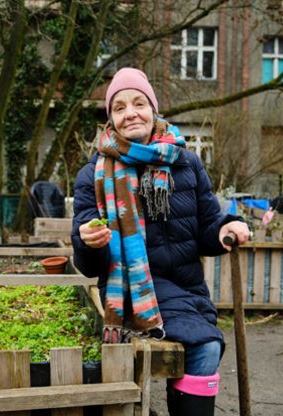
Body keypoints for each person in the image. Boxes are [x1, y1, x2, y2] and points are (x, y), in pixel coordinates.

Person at [71, 67, 250, 416]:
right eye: (119, 107)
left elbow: (206, 227)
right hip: (129, 293)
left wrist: (228, 227)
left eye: (138, 102)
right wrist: (88, 242)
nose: (130, 113)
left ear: (153, 109)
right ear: (111, 119)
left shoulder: (186, 162)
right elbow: (89, 267)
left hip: (186, 289)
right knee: (206, 346)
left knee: (204, 344)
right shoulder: (92, 175)